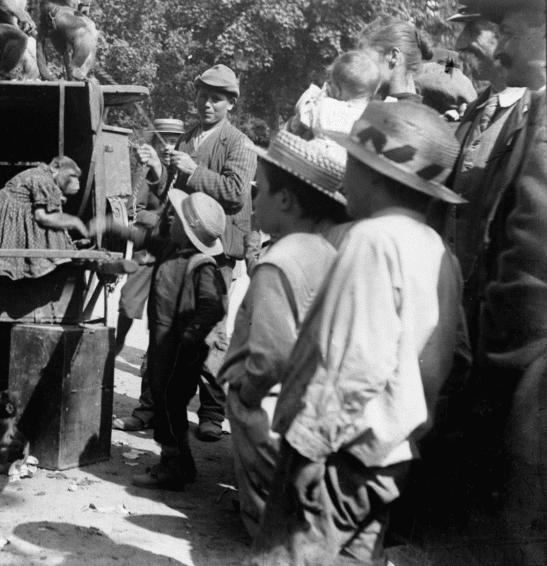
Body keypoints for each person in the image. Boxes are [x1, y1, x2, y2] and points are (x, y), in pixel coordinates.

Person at [248, 102, 469, 565]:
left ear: (373, 174)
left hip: (336, 451)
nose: (344, 177)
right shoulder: (439, 252)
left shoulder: (372, 240)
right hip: (389, 454)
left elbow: (353, 361)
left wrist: (310, 448)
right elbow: (454, 359)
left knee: (284, 556)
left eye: (351, 161)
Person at [219, 131, 350, 538]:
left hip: (270, 414)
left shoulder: (277, 263)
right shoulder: (327, 252)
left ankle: (270, 532)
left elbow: (271, 357)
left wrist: (245, 397)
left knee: (269, 511)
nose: (253, 199)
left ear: (287, 201)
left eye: (260, 190)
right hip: (311, 411)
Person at [140, 64, 257, 442]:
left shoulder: (239, 143)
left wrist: (192, 170)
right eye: (202, 96)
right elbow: (169, 193)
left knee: (209, 332)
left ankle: (211, 413)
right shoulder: (187, 137)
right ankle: (150, 407)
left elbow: (236, 193)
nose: (207, 103)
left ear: (231, 103)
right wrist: (157, 171)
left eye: (216, 98)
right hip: (177, 244)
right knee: (163, 327)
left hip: (216, 251)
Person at [476, 0, 547, 562]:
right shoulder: (533, 109)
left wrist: (497, 376)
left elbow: (531, 272)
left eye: (510, 34)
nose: (498, 51)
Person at [107, 190, 227, 489]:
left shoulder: (201, 266)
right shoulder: (171, 249)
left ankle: (171, 467)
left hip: (182, 352)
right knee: (163, 401)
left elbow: (213, 307)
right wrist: (114, 227)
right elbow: (145, 239)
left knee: (169, 407)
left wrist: (190, 338)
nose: (169, 218)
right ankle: (182, 463)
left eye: (177, 218)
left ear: (189, 231)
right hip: (163, 345)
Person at [113, 118, 185, 432]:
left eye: (173, 140)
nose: (167, 147)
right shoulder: (147, 169)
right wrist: (160, 218)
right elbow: (133, 209)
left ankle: (154, 406)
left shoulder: (184, 168)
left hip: (175, 254)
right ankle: (113, 352)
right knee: (128, 305)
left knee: (164, 329)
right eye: (162, 140)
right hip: (148, 251)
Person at [0, 156, 89, 279]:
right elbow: (41, 216)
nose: (76, 181)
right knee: (51, 219)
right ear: (55, 167)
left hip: (9, 218)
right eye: (72, 175)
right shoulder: (43, 179)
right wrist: (75, 222)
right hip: (10, 221)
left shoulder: (41, 175)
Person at [286, 50, 381, 139]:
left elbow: (298, 122)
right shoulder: (374, 122)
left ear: (337, 90)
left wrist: (321, 95)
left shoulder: (326, 107)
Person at [356, 16, 435, 103]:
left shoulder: (384, 111)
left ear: (394, 57)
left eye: (366, 60)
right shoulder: (425, 109)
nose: (360, 69)